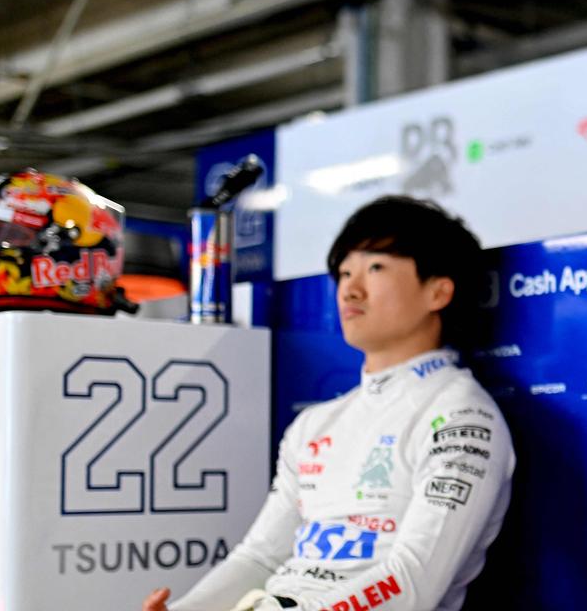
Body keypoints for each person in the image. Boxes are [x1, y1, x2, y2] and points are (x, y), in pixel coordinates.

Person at [143, 195, 514, 611]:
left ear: (439, 291)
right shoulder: (315, 424)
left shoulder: (462, 416)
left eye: (375, 268)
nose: (350, 290)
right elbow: (260, 557)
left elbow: (413, 581)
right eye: (343, 272)